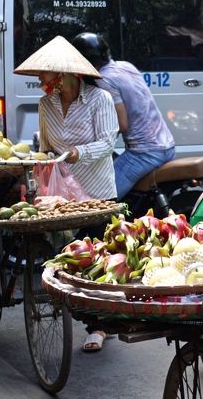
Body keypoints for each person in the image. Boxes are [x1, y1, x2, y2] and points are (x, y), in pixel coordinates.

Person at [14, 36, 119, 353]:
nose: (42, 81)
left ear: (68, 74)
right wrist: (39, 163)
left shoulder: (100, 100)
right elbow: (45, 147)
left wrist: (78, 152)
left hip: (98, 193)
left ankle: (97, 326)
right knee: (70, 256)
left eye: (47, 74)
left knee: (96, 260)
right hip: (63, 196)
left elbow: (108, 143)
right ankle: (88, 311)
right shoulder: (46, 104)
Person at [72, 33, 175, 200]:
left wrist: (92, 138)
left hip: (144, 153)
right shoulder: (126, 66)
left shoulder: (104, 80)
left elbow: (122, 124)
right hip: (166, 145)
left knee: (101, 199)